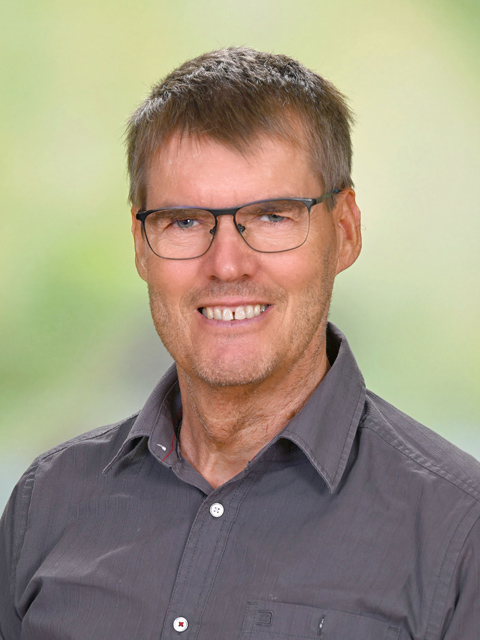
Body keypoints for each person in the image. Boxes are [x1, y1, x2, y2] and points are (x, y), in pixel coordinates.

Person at [0, 47, 479, 640]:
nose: (227, 265)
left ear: (346, 231)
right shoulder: (45, 504)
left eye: (273, 216)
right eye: (184, 221)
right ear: (141, 246)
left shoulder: (460, 532)